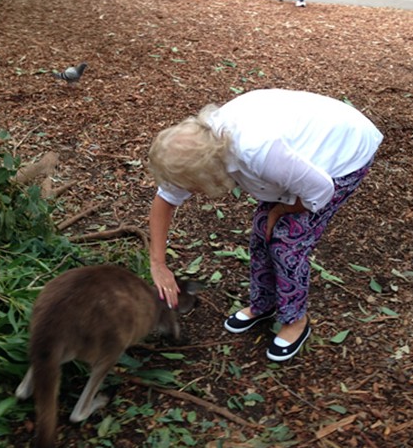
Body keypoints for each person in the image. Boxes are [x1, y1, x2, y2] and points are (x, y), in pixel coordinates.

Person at [147, 89, 383, 362]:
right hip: (296, 156)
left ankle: (296, 321)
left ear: (205, 171)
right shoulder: (199, 145)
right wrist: (158, 264)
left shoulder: (259, 151)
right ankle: (264, 304)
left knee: (287, 242)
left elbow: (321, 192)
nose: (190, 191)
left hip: (343, 151)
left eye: (192, 185)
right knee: (262, 233)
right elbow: (165, 200)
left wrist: (282, 209)